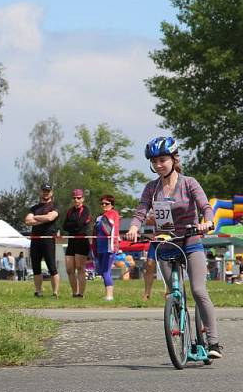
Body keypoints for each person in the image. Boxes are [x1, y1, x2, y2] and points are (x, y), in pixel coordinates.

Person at [125, 136, 222, 358]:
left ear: (173, 158)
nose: (158, 165)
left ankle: (214, 342)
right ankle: (182, 334)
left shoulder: (189, 183)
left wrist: (206, 222)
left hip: (190, 243)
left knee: (198, 290)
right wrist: (133, 226)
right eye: (154, 161)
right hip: (166, 244)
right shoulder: (151, 188)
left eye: (162, 160)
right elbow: (141, 211)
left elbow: (206, 207)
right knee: (174, 294)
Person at [24, 183, 60, 297]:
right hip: (35, 239)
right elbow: (28, 221)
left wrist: (36, 217)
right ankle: (38, 291)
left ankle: (55, 292)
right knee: (36, 266)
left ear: (51, 193)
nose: (46, 193)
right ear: (41, 192)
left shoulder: (54, 206)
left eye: (48, 191)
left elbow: (51, 217)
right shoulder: (34, 208)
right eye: (44, 190)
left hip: (48, 239)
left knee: (51, 266)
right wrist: (43, 219)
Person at [61, 188, 91, 297]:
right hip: (72, 241)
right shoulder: (70, 211)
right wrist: (74, 225)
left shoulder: (85, 210)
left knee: (80, 267)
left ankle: (81, 293)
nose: (76, 200)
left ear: (82, 199)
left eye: (78, 198)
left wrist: (72, 225)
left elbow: (80, 223)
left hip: (82, 240)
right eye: (74, 198)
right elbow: (65, 225)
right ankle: (74, 292)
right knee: (69, 268)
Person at [92, 194, 121, 301]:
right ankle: (107, 294)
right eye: (102, 203)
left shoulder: (113, 214)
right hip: (99, 248)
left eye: (107, 204)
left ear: (112, 205)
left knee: (106, 271)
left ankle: (110, 295)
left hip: (109, 247)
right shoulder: (99, 217)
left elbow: (111, 229)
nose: (104, 205)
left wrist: (106, 218)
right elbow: (95, 232)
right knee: (102, 271)